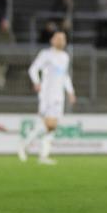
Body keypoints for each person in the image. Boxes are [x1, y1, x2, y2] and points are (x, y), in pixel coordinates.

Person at [18, 31, 76, 165]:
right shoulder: (46, 55)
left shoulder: (65, 57)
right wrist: (37, 82)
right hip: (47, 94)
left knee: (53, 126)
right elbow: (33, 69)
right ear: (52, 40)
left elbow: (65, 76)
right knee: (47, 123)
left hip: (59, 96)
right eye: (59, 38)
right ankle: (24, 145)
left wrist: (70, 92)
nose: (62, 40)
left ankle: (42, 154)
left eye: (64, 38)